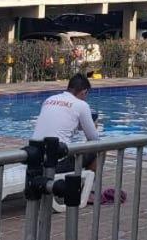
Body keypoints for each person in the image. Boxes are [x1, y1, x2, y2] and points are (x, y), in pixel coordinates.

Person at [32, 74, 124, 204]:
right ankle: (87, 192)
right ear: (84, 92)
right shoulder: (81, 105)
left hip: (34, 160)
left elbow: (62, 122)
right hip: (54, 164)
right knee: (100, 150)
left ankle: (83, 188)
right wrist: (94, 125)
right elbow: (94, 139)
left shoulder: (49, 99)